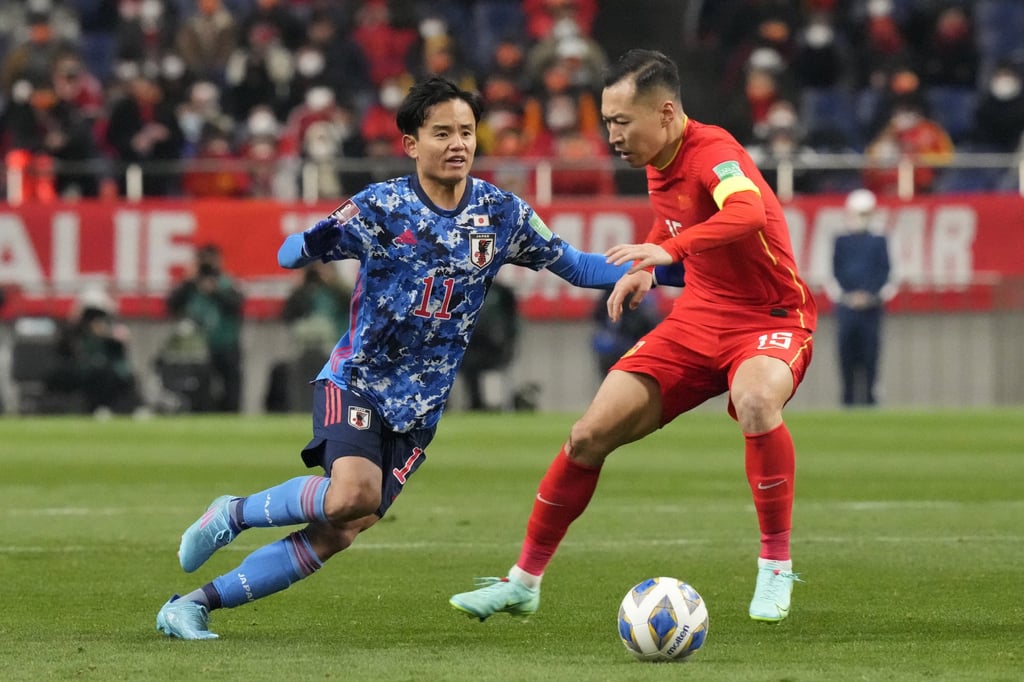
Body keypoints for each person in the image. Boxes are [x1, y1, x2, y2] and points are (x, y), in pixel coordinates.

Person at [155, 76, 680, 640]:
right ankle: (232, 513)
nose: (458, 144)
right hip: (356, 381)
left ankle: (191, 606)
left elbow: (576, 266)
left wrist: (670, 266)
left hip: (420, 411)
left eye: (467, 132)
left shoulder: (500, 215)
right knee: (354, 492)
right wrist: (307, 244)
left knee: (343, 527)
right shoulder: (383, 206)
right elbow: (292, 252)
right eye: (442, 133)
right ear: (411, 143)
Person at [449, 48, 817, 624]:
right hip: (698, 317)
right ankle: (522, 582)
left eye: (622, 121)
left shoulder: (715, 153)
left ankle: (774, 567)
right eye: (607, 121)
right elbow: (673, 225)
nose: (611, 134)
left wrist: (667, 251)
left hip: (770, 317)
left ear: (666, 112)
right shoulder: (655, 161)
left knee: (755, 400)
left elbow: (744, 213)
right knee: (586, 436)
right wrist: (651, 265)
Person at [827, 189, 893, 407]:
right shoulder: (841, 241)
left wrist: (870, 296)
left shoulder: (880, 241)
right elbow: (834, 273)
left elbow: (886, 272)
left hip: (871, 309)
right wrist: (848, 297)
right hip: (846, 308)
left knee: (870, 355)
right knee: (847, 355)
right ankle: (847, 399)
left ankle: (870, 400)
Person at [165, 244, 245, 412]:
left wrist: (215, 291)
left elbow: (237, 306)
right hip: (198, 348)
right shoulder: (191, 286)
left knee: (231, 389)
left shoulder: (227, 283)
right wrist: (188, 281)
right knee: (201, 390)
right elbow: (171, 305)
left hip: (226, 343)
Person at [459, 279, 519, 411]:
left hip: (493, 343)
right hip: (469, 341)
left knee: (492, 372)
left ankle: (494, 405)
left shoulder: (501, 291)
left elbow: (512, 318)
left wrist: (509, 340)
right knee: (469, 371)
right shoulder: (465, 287)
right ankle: (476, 404)